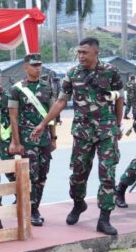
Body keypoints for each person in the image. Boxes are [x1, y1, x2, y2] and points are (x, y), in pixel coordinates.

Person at [35, 37, 123, 235]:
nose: (80, 56)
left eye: (84, 52)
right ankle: (78, 204)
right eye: (79, 52)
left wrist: (118, 125)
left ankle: (104, 219)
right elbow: (61, 102)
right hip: (82, 132)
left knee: (107, 175)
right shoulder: (72, 73)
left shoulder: (111, 71)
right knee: (78, 174)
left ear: (96, 52)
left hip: (106, 131)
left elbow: (120, 97)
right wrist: (43, 123)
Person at [8, 53, 56, 227]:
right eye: (34, 65)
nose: (38, 68)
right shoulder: (17, 89)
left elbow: (52, 114)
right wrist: (16, 142)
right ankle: (31, 210)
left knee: (43, 175)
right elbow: (13, 117)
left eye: (39, 65)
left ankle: (35, 206)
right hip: (27, 140)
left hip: (45, 139)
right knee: (31, 175)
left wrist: (54, 137)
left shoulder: (47, 87)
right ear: (25, 67)